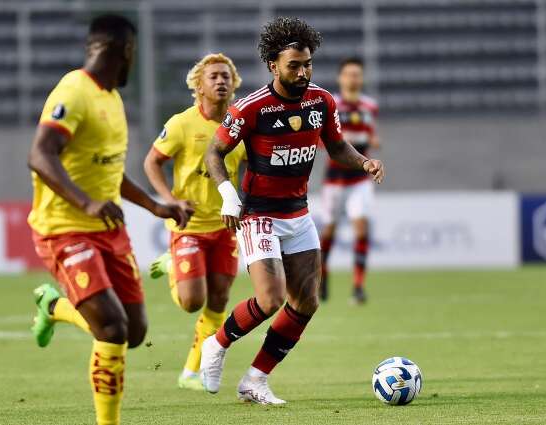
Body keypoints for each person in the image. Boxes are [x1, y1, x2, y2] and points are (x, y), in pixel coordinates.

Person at [201, 17, 385, 405]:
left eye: (307, 64)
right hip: (258, 213)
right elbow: (214, 152)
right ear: (273, 65)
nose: (303, 72)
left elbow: (336, 147)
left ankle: (255, 380)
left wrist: (364, 162)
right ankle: (215, 345)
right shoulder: (252, 108)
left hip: (297, 214)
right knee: (269, 299)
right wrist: (226, 194)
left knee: (306, 302)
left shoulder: (321, 101)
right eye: (294, 66)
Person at [27, 15, 191, 425]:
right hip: (64, 229)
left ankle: (53, 307)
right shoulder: (73, 92)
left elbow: (109, 171)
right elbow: (40, 154)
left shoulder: (113, 101)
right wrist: (85, 203)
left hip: (108, 232)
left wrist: (156, 207)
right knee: (112, 329)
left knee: (134, 332)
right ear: (126, 52)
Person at [143, 53, 246, 391]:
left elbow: (253, 166)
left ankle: (191, 371)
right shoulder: (181, 124)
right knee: (191, 302)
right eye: (213, 76)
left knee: (218, 299)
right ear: (198, 86)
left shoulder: (239, 125)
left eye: (226, 76)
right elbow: (152, 163)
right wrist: (169, 200)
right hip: (188, 225)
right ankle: (172, 263)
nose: (221, 81)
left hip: (225, 225)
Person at [319, 57, 381, 304]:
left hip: (359, 180)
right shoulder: (332, 104)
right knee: (329, 231)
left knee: (361, 229)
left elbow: (373, 135)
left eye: (357, 74)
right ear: (340, 78)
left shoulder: (370, 106)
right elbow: (323, 137)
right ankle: (322, 275)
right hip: (334, 180)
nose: (353, 78)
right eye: (349, 74)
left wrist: (372, 141)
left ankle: (358, 286)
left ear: (361, 78)